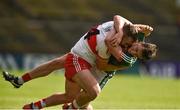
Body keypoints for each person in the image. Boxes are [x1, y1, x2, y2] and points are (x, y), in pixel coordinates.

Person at [2, 15, 156, 109]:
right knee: (90, 93)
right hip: (83, 56)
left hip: (92, 61)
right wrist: (121, 35)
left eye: (134, 50)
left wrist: (124, 32)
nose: (130, 48)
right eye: (132, 46)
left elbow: (117, 23)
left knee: (71, 95)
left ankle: (33, 103)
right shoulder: (117, 40)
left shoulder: (126, 54)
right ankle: (22, 82)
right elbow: (117, 24)